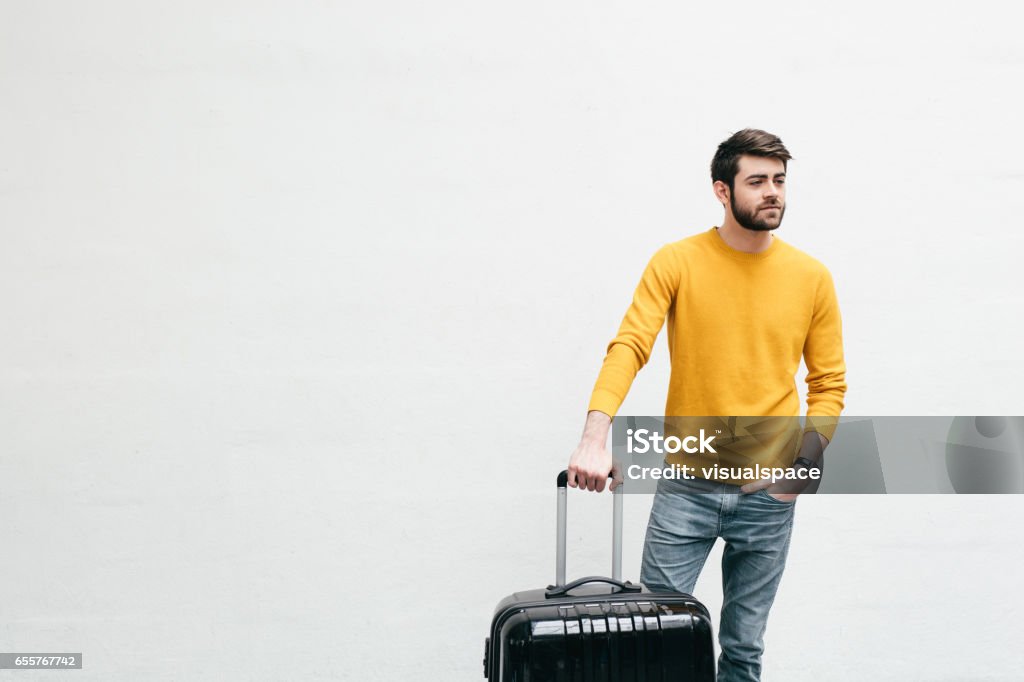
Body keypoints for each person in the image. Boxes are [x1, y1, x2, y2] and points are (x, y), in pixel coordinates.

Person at [566, 128, 847, 682]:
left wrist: (808, 460)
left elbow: (829, 381)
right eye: (758, 181)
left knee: (743, 653)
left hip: (769, 497)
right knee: (655, 641)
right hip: (686, 490)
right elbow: (630, 346)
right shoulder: (677, 261)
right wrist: (594, 437)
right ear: (722, 190)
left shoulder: (811, 277)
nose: (773, 193)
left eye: (780, 181)